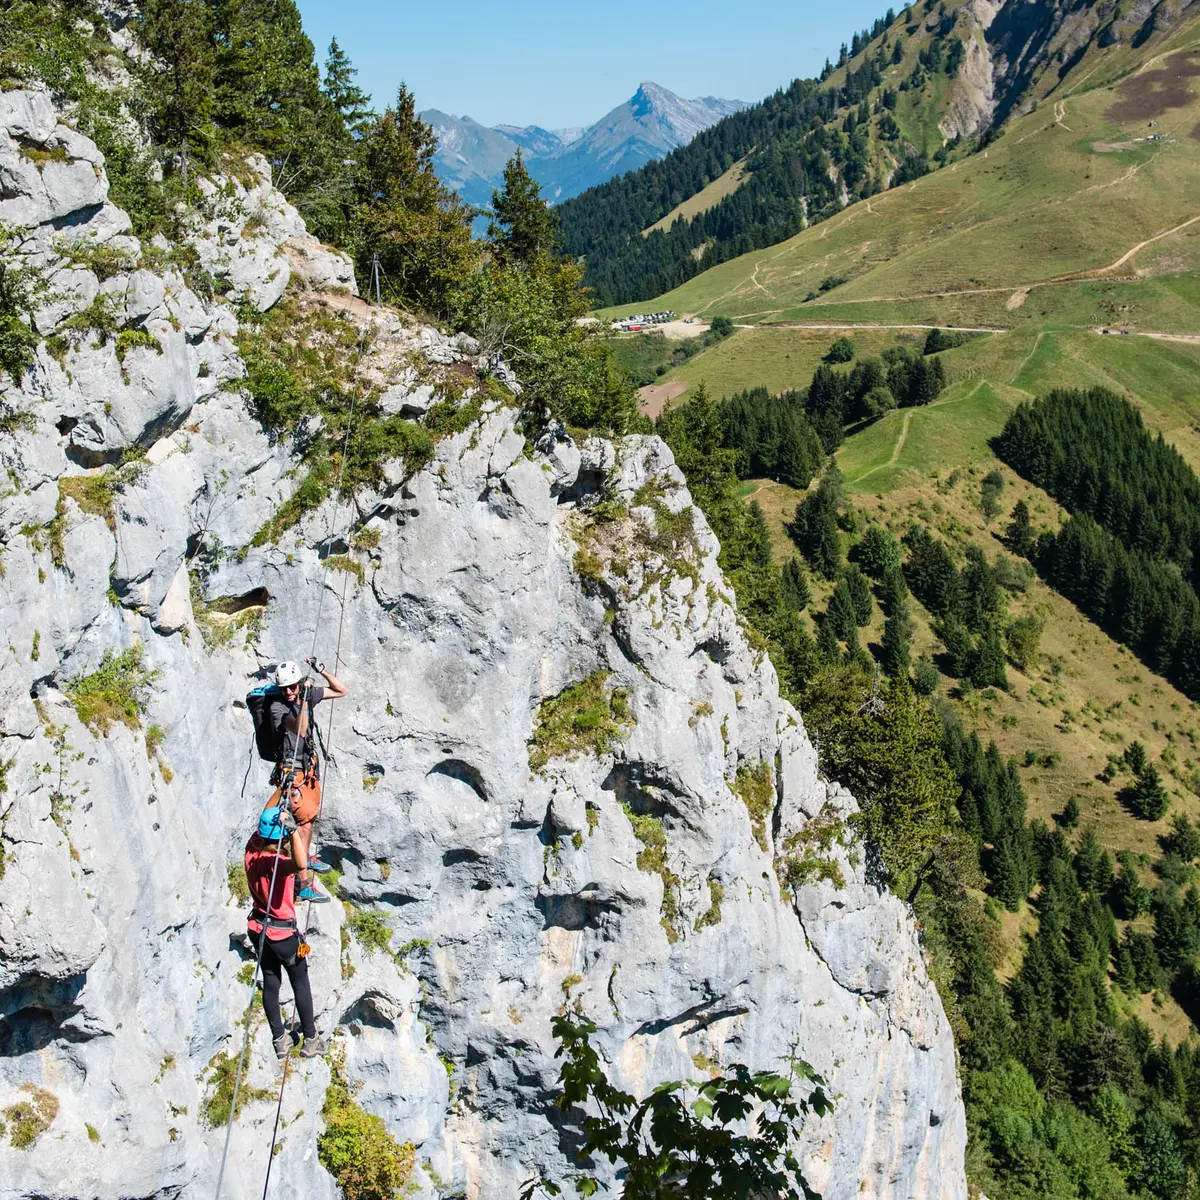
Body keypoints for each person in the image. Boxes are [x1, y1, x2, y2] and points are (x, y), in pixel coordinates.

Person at [262, 659, 348, 902]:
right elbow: (300, 728)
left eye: (292, 687)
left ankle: (306, 859)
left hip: (307, 771)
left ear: (299, 683)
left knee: (307, 822)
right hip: (293, 773)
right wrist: (303, 700)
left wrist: (321, 671)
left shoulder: (304, 694)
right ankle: (302, 883)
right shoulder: (277, 709)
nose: (288, 692)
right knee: (299, 824)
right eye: (284, 689)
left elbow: (342, 690)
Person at [244, 808, 327, 1061]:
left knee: (271, 981)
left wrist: (282, 787)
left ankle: (279, 1040)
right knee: (300, 980)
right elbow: (301, 864)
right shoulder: (276, 864)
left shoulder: (252, 854)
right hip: (282, 935)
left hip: (258, 930)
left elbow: (262, 824)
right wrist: (293, 832)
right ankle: (311, 1039)